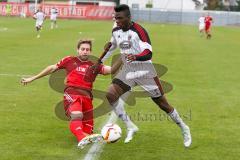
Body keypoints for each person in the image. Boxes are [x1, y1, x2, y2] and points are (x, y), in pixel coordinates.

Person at [101, 4, 192, 147]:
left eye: (120, 18)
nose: (117, 21)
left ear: (129, 17)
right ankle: (130, 126)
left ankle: (183, 127)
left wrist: (135, 56)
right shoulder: (116, 29)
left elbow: (148, 53)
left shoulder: (140, 31)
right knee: (110, 95)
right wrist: (99, 61)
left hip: (145, 70)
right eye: (115, 18)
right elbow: (111, 46)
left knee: (163, 104)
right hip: (128, 70)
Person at [21, 39, 121, 149]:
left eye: (87, 49)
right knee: (77, 115)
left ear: (90, 52)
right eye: (82, 49)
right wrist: (33, 78)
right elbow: (52, 68)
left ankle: (82, 135)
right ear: (78, 50)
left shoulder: (94, 65)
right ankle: (80, 137)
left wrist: (122, 57)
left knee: (87, 131)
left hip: (87, 97)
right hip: (72, 92)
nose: (85, 51)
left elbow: (111, 70)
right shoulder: (69, 60)